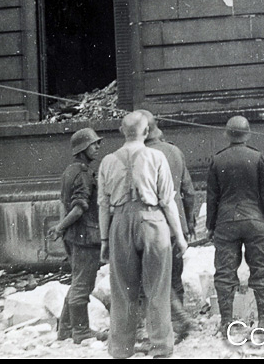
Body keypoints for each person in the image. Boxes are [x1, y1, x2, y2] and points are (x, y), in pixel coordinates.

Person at [98, 111, 188, 359]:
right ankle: (160, 348)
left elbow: (103, 205)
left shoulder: (107, 161)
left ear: (121, 132)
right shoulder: (156, 157)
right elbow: (168, 201)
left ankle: (121, 350)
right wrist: (179, 237)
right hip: (153, 221)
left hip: (120, 222)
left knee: (122, 292)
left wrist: (105, 239)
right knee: (157, 289)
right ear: (147, 131)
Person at [206, 116, 264, 336]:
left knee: (225, 272)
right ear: (247, 134)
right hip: (255, 221)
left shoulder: (217, 160)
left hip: (226, 223)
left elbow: (212, 198)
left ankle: (226, 323)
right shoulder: (257, 157)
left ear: (228, 135)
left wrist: (210, 226)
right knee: (262, 270)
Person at [137, 110, 196, 344]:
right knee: (174, 276)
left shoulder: (136, 155)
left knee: (149, 279)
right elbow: (188, 191)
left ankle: (161, 326)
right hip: (174, 226)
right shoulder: (174, 151)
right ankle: (176, 320)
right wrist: (188, 221)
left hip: (147, 226)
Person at [50, 127, 107, 344]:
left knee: (77, 282)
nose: (98, 147)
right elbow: (79, 208)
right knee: (83, 285)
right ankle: (81, 332)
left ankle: (65, 329)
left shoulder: (69, 171)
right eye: (94, 144)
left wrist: (62, 229)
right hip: (86, 235)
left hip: (75, 236)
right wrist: (60, 227)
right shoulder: (83, 174)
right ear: (83, 148)